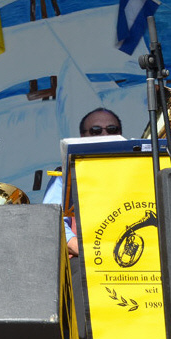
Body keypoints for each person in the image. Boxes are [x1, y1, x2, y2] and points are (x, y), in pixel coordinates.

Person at [42, 107, 124, 257]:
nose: (104, 134)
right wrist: (90, 252)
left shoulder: (137, 170)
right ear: (83, 136)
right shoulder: (63, 175)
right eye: (95, 131)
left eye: (112, 129)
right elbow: (53, 223)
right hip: (84, 259)